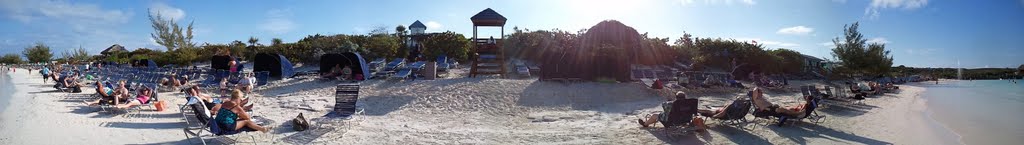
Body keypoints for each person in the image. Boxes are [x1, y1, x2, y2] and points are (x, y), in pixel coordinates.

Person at [637, 91, 706, 130]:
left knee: (655, 115)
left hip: (673, 121)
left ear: (676, 97)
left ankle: (645, 124)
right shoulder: (690, 104)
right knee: (662, 114)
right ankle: (646, 123)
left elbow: (664, 107)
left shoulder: (673, 103)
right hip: (686, 119)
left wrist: (669, 100)